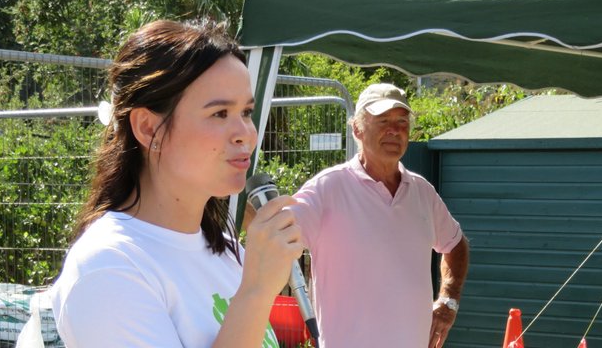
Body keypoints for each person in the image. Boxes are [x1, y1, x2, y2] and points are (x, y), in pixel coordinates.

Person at [50, 19, 303, 348]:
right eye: (220, 113)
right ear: (148, 129)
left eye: (246, 111)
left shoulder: (228, 251)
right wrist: (255, 292)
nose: (246, 133)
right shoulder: (108, 267)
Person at [289, 83, 470, 348]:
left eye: (402, 121)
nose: (394, 130)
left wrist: (449, 299)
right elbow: (278, 234)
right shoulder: (328, 188)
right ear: (357, 129)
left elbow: (455, 244)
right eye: (383, 120)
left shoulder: (422, 192)